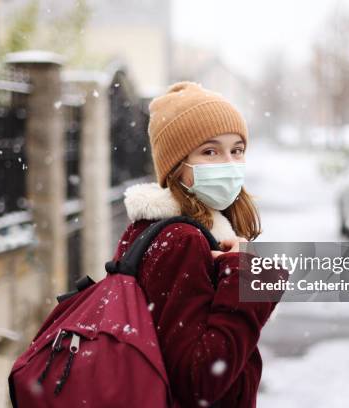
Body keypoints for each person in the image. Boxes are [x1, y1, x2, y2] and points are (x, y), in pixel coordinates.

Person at [112, 81, 278, 407]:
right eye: (210, 151)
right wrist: (250, 279)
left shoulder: (169, 231)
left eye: (237, 150)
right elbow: (199, 381)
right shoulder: (181, 241)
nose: (229, 163)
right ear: (177, 167)